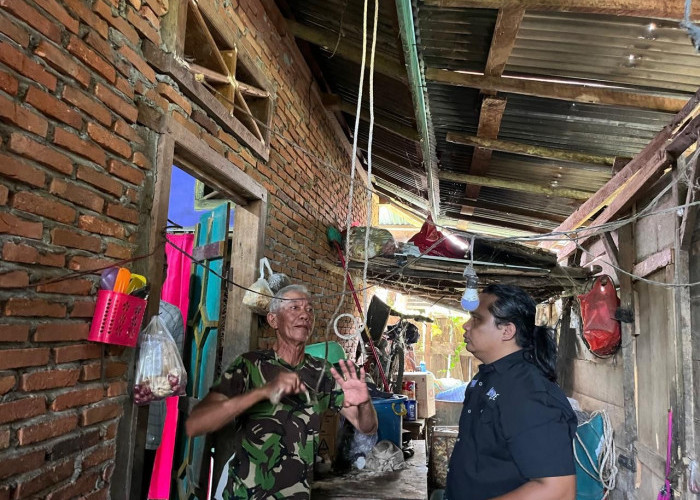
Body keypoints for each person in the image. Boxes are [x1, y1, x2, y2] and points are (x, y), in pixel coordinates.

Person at [186, 284, 378, 499]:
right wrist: (261, 393)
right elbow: (198, 422)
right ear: (273, 320)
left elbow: (367, 426)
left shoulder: (321, 372)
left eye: (309, 309)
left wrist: (364, 403)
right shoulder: (250, 365)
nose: (305, 315)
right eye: (294, 308)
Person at [444, 284, 577, 500]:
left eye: (476, 319)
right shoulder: (488, 377)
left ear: (507, 331)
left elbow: (558, 490)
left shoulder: (528, 392)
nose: (466, 326)